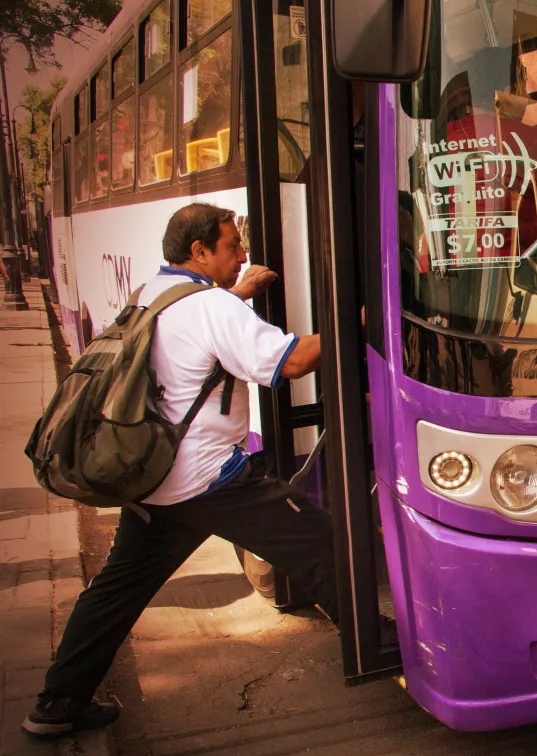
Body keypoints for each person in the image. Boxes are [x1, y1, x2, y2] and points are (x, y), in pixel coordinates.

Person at [22, 203, 335, 739]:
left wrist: (237, 295)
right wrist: (359, 319)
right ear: (199, 251)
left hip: (152, 478)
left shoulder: (153, 293)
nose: (243, 255)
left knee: (115, 592)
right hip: (211, 481)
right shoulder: (214, 306)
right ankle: (385, 645)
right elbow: (293, 361)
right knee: (323, 544)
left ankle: (57, 703)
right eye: (233, 246)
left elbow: (189, 334)